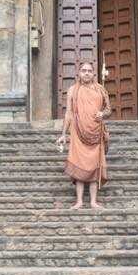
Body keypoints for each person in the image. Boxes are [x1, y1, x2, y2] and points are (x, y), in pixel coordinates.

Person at [56, 61, 111, 210]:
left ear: (93, 73)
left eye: (89, 70)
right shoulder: (72, 90)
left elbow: (108, 110)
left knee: (94, 166)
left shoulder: (101, 90)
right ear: (79, 73)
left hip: (95, 132)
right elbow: (69, 113)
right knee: (79, 165)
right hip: (77, 132)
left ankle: (93, 201)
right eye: (83, 70)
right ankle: (79, 201)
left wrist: (102, 113)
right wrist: (63, 134)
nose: (86, 73)